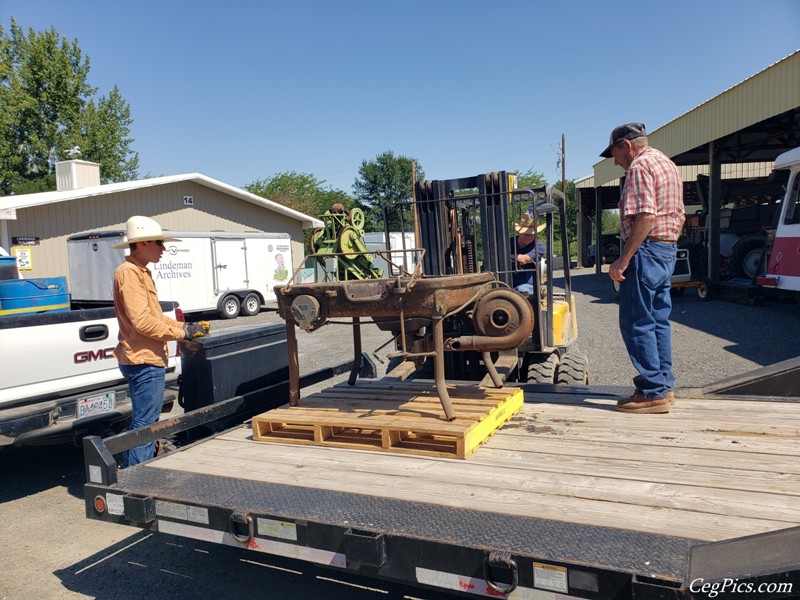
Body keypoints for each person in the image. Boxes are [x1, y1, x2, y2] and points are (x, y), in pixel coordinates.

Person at [601, 123, 685, 414]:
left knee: (637, 322)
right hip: (666, 249)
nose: (615, 161)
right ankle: (664, 384)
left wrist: (623, 258)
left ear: (626, 145)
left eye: (614, 153)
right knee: (659, 320)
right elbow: (678, 213)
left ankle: (652, 391)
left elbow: (646, 217)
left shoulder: (638, 167)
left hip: (646, 250)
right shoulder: (667, 164)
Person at [112, 216, 208, 466]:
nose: (163, 248)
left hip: (144, 358)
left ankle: (130, 464)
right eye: (159, 243)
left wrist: (186, 327)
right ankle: (136, 477)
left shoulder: (139, 272)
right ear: (142, 243)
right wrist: (183, 333)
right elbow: (143, 323)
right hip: (143, 360)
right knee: (146, 424)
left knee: (145, 421)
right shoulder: (130, 274)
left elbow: (155, 317)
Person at [511, 212, 547, 294]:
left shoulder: (539, 246)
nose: (530, 236)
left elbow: (524, 259)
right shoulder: (507, 243)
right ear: (518, 232)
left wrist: (505, 257)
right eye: (526, 233)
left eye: (532, 233)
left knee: (522, 290)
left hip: (527, 286)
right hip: (505, 284)